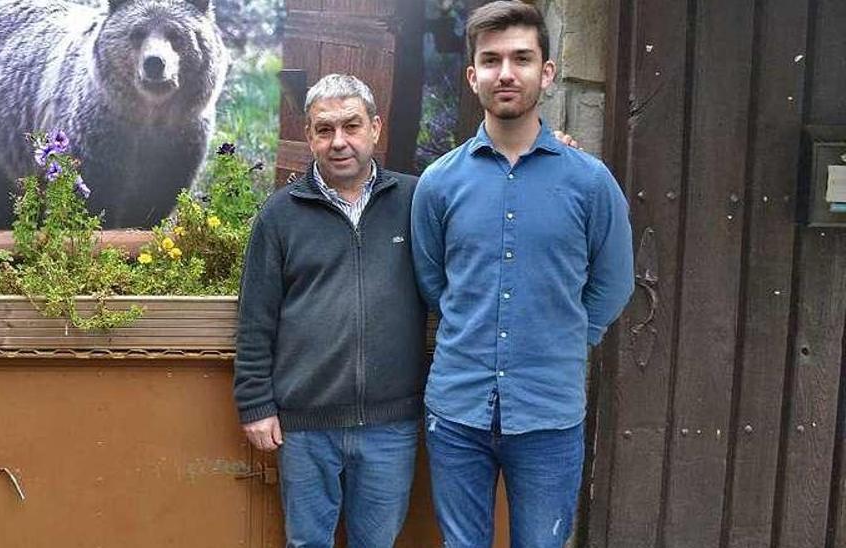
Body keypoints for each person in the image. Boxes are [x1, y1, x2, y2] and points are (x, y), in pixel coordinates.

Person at [409, 2, 635, 546]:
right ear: (472, 77)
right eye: (491, 60)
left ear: (547, 73)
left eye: (521, 58)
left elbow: (614, 281)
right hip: (458, 411)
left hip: (549, 415)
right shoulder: (438, 184)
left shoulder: (590, 183)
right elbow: (432, 280)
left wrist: (571, 338)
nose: (505, 72)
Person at [233, 73, 428, 548]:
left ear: (375, 128)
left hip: (391, 423)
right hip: (304, 427)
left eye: (351, 126)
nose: (339, 141)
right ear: (309, 135)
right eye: (325, 129)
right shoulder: (279, 215)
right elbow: (256, 318)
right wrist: (255, 403)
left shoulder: (417, 200)